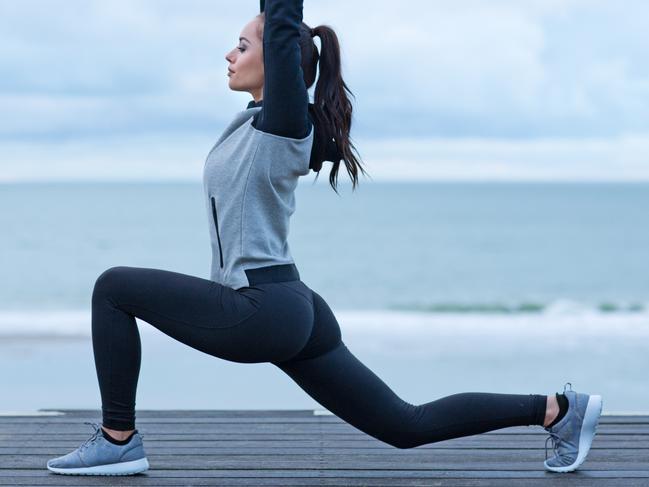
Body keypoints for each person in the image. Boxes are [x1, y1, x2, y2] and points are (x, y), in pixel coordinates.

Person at [46, 0, 602, 476]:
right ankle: (556, 409)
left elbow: (285, 23)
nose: (228, 54)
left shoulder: (285, 125)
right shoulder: (260, 122)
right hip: (294, 306)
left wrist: (279, 25)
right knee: (404, 425)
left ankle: (118, 441)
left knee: (112, 287)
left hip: (261, 308)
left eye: (241, 45)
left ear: (280, 62)